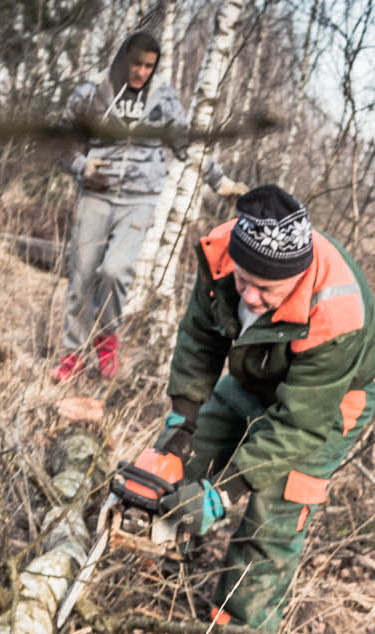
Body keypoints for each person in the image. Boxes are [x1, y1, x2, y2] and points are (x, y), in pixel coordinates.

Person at [128, 185, 375, 634]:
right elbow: (201, 336)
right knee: (191, 452)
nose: (248, 294)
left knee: (274, 513)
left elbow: (297, 425)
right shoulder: (223, 253)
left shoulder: (338, 315)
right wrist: (181, 421)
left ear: (297, 278)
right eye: (243, 280)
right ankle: (159, 569)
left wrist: (222, 493)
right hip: (258, 366)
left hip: (331, 399)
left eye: (264, 290)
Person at [53, 30, 248, 383]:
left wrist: (220, 183)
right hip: (96, 195)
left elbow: (188, 144)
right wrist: (83, 166)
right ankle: (71, 354)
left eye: (148, 66)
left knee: (115, 270)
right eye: (135, 64)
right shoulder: (92, 91)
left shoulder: (162, 97)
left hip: (140, 199)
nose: (141, 72)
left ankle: (107, 339)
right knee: (82, 274)